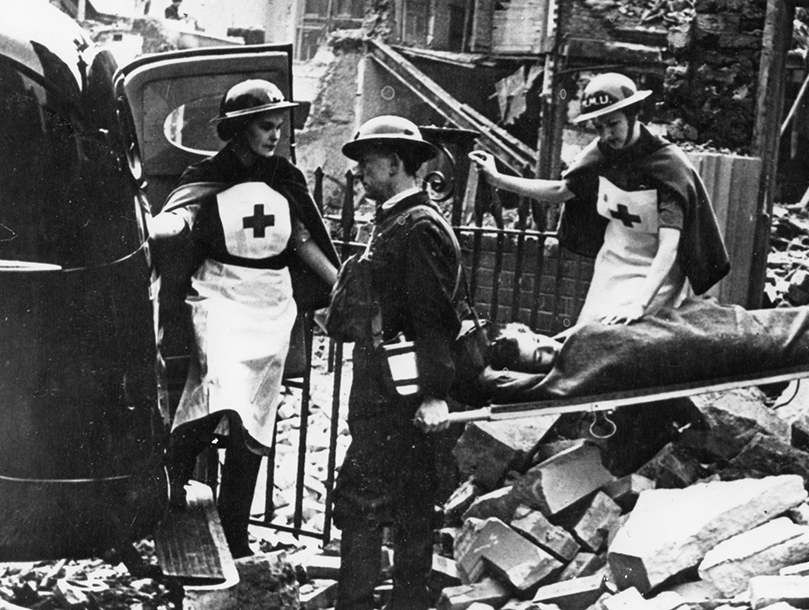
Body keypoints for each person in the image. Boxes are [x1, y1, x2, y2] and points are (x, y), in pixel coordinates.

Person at [148, 79, 339, 558]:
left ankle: (234, 530)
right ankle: (169, 497)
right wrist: (166, 226)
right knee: (218, 390)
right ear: (238, 129)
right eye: (265, 127)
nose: (275, 136)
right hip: (217, 296)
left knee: (255, 415)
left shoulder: (286, 178)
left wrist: (342, 285)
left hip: (271, 305)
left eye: (278, 126)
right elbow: (182, 220)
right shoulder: (206, 173)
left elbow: (303, 240)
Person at [468, 72, 729, 328]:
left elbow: (669, 247)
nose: (605, 135)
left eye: (613, 124)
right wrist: (498, 179)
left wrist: (639, 303)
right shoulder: (600, 152)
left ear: (633, 115)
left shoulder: (668, 163)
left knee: (624, 333)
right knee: (585, 333)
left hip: (656, 270)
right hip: (614, 260)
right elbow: (561, 190)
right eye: (598, 127)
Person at [332, 115, 461, 610]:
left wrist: (433, 393)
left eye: (368, 162)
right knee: (402, 500)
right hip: (385, 387)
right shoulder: (393, 220)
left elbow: (433, 316)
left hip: (400, 395)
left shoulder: (418, 226)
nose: (361, 173)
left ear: (394, 163)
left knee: (373, 502)